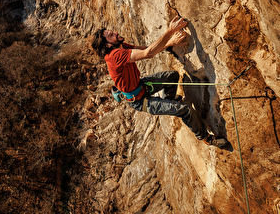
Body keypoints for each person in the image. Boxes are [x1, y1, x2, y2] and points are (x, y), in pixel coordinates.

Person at [92, 16, 228, 149]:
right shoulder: (115, 56)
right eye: (111, 34)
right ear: (108, 44)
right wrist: (170, 32)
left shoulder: (121, 46)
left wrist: (169, 43)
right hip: (139, 100)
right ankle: (206, 138)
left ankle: (170, 99)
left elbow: (146, 49)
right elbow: (148, 53)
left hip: (142, 86)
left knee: (172, 76)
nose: (115, 32)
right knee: (185, 110)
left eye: (112, 31)